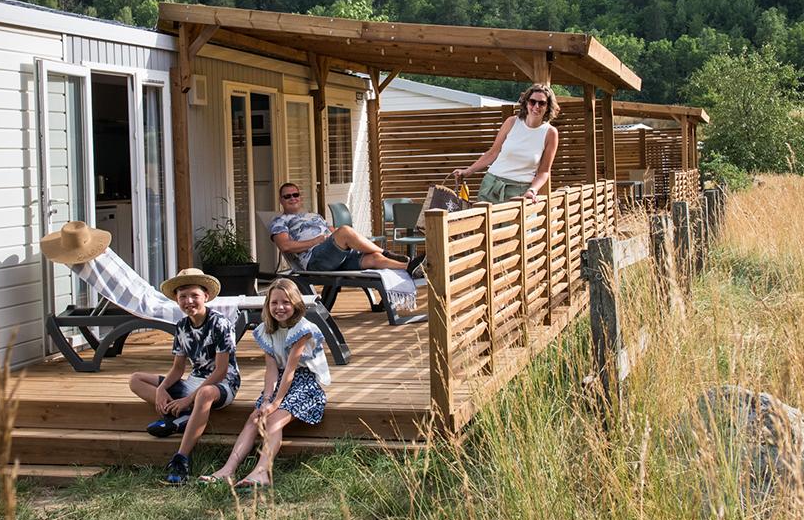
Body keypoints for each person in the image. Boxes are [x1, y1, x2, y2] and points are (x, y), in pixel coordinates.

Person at [202, 278, 330, 489]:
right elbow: (271, 369)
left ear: (296, 304)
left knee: (274, 420)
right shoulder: (265, 330)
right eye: (274, 303)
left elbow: (290, 370)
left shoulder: (303, 329)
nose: (280, 307)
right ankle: (228, 469)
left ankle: (262, 472)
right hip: (280, 382)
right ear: (268, 305)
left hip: (304, 383)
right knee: (255, 418)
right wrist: (267, 400)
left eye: (286, 302)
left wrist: (276, 403)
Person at [127, 268, 241, 485]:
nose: (188, 301)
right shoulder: (181, 327)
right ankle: (181, 418)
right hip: (194, 382)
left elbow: (221, 370)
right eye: (182, 297)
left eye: (194, 296)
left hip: (222, 384)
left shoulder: (220, 324)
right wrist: (161, 390)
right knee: (136, 379)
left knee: (205, 394)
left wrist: (188, 399)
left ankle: (182, 458)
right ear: (177, 300)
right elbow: (178, 369)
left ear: (206, 296)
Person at [268, 182, 416, 273]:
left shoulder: (314, 216)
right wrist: (316, 241)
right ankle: (387, 252)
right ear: (281, 200)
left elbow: (334, 233)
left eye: (295, 194)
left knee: (374, 258)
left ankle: (408, 267)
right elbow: (286, 246)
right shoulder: (280, 221)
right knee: (345, 230)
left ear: (300, 197)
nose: (292, 198)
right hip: (316, 260)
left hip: (337, 255)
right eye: (287, 196)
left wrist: (351, 243)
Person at [449, 83, 561, 203]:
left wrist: (532, 190)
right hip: (491, 185)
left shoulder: (550, 133)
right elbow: (493, 153)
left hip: (519, 192)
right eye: (532, 102)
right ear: (526, 103)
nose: (536, 106)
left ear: (548, 106)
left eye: (542, 103)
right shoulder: (512, 122)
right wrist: (467, 171)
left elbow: (544, 171)